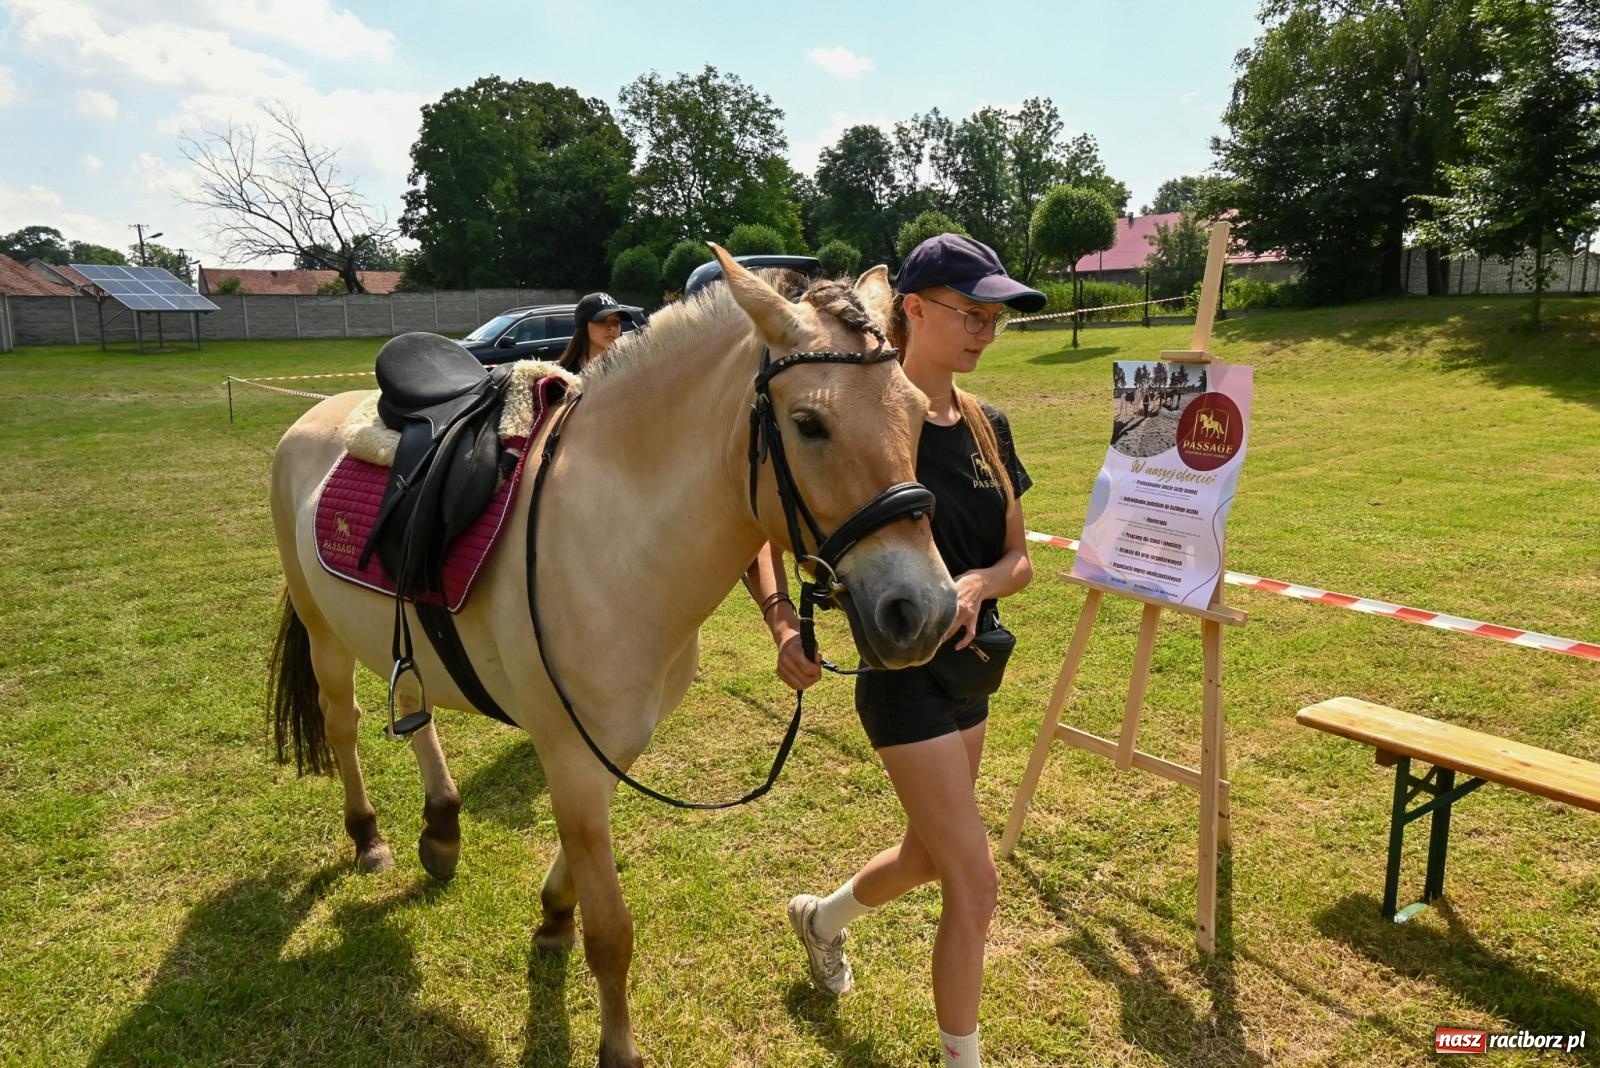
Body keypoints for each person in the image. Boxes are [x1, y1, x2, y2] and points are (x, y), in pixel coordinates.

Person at [750, 234, 1044, 1068]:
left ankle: (822, 918)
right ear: (912, 309)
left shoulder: (989, 428)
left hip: (973, 671)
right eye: (971, 312)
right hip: (900, 678)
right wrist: (781, 623)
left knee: (927, 854)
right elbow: (763, 523)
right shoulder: (867, 409)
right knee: (973, 880)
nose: (987, 329)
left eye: (995, 318)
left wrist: (981, 584)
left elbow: (1022, 559)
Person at [558, 292, 632, 373]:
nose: (612, 327)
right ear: (584, 326)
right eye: (603, 320)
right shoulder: (562, 378)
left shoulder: (628, 370)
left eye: (616, 322)